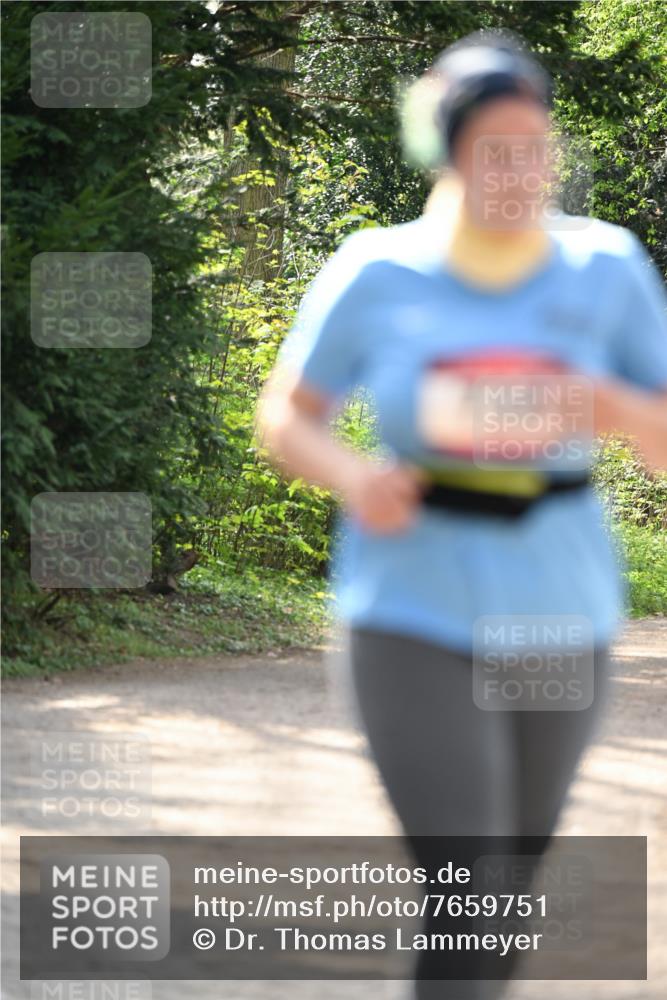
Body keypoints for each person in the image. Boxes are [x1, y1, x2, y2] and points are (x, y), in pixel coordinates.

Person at [256, 30, 667, 1000]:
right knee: (467, 892)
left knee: (505, 900)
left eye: (536, 146)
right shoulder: (376, 270)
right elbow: (286, 416)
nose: (520, 169)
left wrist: (602, 406)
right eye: (495, 147)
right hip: (411, 607)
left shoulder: (604, 268)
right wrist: (355, 476)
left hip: (558, 610)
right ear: (445, 153)